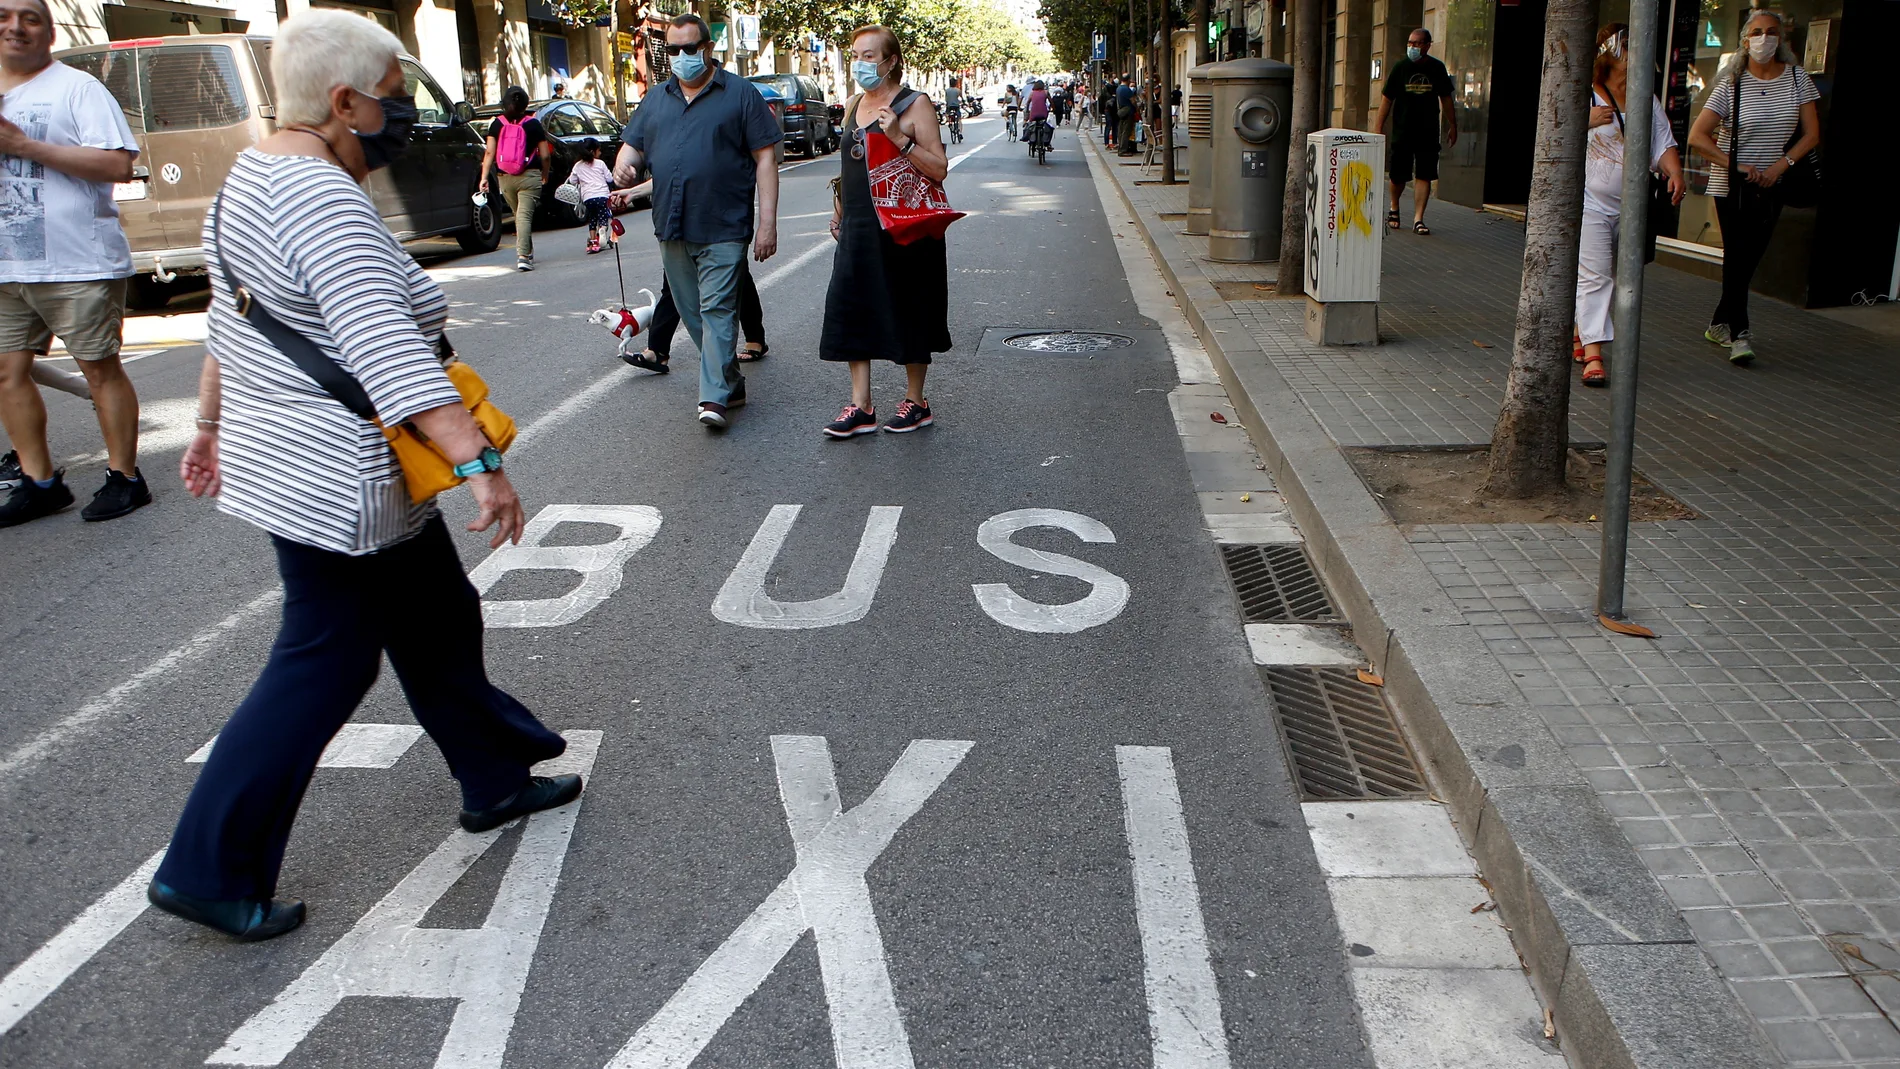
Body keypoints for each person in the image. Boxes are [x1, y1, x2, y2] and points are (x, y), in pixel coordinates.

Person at [148, 10, 579, 943]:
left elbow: (232, 316)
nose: (398, 118)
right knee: (324, 661)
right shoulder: (319, 199)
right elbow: (388, 352)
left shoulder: (251, 178)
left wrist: (211, 424)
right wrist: (482, 464)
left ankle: (495, 776)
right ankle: (206, 866)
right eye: (388, 100)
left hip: (295, 455)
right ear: (341, 102)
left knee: (435, 616)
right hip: (339, 476)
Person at [0, 0, 147, 528]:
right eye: (4, 15)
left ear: (49, 30)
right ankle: (41, 483)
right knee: (6, 373)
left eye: (30, 17)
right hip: (7, 264)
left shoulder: (77, 89)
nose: (15, 27)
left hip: (77, 260)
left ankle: (125, 477)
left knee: (99, 370)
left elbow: (118, 164)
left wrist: (24, 145)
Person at [613, 13, 780, 429]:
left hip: (724, 223)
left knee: (719, 308)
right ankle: (731, 383)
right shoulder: (655, 99)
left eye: (690, 48)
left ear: (708, 48)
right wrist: (624, 169)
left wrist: (767, 223)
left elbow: (766, 158)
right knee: (692, 314)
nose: (682, 56)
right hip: (671, 226)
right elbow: (631, 148)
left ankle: (713, 399)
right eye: (673, 49)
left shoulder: (739, 93)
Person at [818, 24, 950, 439]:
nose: (860, 63)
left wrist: (898, 138)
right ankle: (861, 406)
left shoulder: (915, 105)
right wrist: (839, 209)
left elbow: (939, 168)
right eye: (856, 54)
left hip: (904, 227)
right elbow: (849, 166)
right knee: (852, 305)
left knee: (910, 307)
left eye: (869, 56)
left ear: (891, 61)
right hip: (859, 224)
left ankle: (916, 401)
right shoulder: (855, 102)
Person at [1686, 7, 1819, 366]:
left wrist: (1780, 166)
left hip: (1774, 181)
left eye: (1771, 31)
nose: (1764, 38)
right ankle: (1740, 334)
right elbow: (1698, 136)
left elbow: (1812, 134)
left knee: (1749, 259)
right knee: (1737, 255)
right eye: (1757, 32)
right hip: (1733, 184)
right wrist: (1739, 166)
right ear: (1745, 40)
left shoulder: (1796, 79)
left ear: (1782, 38)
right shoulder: (1732, 84)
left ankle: (1719, 324)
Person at [1574, 22, 1685, 388]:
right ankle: (1594, 352)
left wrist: (1675, 173)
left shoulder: (1644, 100)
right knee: (1596, 274)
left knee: (1621, 277)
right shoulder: (1584, 96)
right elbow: (1552, 139)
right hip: (1590, 202)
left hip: (1632, 206)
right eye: (1630, 48)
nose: (1638, 55)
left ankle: (1581, 329)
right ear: (1611, 53)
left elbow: (1663, 143)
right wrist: (1583, 121)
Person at [1373, 27, 1457, 235]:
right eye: (1410, 43)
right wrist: (1378, 127)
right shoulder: (1400, 68)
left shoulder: (1437, 68)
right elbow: (1387, 99)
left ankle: (1418, 218)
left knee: (1424, 174)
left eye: (1417, 43)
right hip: (1403, 129)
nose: (1412, 47)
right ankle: (1394, 206)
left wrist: (1452, 125)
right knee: (1397, 175)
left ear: (1427, 45)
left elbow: (1446, 99)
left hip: (1427, 131)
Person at [628, 266, 768, 371]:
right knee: (673, 282)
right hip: (677, 231)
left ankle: (754, 337)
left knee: (736, 275)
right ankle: (657, 350)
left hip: (721, 231)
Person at [479, 86, 552, 272]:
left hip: (505, 177)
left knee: (519, 215)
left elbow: (489, 152)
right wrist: (545, 173)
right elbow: (545, 155)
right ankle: (523, 255)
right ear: (525, 104)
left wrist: (484, 177)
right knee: (524, 216)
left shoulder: (496, 124)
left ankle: (527, 251)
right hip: (529, 176)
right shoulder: (533, 124)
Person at [566, 137, 613, 254]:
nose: (600, 153)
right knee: (602, 216)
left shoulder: (578, 166)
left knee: (592, 218)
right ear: (593, 151)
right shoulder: (600, 163)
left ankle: (593, 241)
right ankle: (602, 231)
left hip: (588, 198)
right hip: (602, 195)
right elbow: (609, 178)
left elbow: (572, 181)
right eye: (599, 150)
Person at [1024, 79, 1051, 150]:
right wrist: (1053, 109)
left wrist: (1027, 110)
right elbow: (1051, 101)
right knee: (1046, 125)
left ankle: (1030, 139)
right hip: (1044, 113)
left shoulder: (1032, 93)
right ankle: (1047, 142)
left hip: (1033, 113)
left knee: (1031, 125)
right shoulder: (1046, 92)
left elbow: (1028, 103)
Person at [1116, 74, 1138, 156]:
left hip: (1121, 111)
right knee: (1126, 131)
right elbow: (1133, 101)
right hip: (1128, 111)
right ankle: (1123, 150)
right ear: (1128, 80)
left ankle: (1121, 147)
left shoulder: (1118, 89)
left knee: (1121, 131)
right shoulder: (1126, 89)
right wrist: (1137, 109)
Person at [1098, 78, 1118, 146]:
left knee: (1108, 126)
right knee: (1114, 127)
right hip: (1114, 110)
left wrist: (1102, 111)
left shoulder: (1104, 91)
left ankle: (1106, 142)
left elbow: (1100, 100)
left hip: (1107, 110)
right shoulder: (1115, 89)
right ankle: (1114, 142)